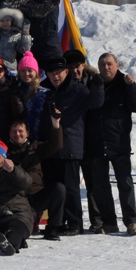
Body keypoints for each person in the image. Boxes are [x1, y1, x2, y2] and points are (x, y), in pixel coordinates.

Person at [39, 57, 104, 236]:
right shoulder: (46, 90)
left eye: (58, 73)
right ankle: (57, 222)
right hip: (51, 147)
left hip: (70, 145)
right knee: (54, 187)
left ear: (66, 72)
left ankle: (75, 223)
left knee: (71, 188)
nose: (55, 76)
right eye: (51, 73)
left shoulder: (77, 89)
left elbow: (95, 103)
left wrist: (98, 85)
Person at [86, 53, 136, 236]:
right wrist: (98, 86)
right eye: (102, 64)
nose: (106, 67)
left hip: (118, 143)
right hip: (97, 143)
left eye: (110, 64)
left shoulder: (124, 83)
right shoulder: (94, 83)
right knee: (101, 187)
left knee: (125, 184)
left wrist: (132, 86)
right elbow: (94, 105)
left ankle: (132, 222)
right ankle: (109, 222)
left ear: (117, 65)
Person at [6, 113, 64, 241]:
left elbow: (56, 145)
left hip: (36, 196)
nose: (17, 134)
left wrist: (56, 125)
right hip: (17, 200)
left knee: (59, 189)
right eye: (14, 131)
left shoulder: (35, 147)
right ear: (9, 133)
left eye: (21, 131)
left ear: (27, 133)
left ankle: (53, 228)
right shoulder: (4, 150)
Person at [64, 49, 102, 232]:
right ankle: (73, 221)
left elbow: (97, 104)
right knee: (70, 185)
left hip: (92, 138)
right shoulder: (64, 85)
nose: (74, 70)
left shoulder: (95, 80)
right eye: (70, 67)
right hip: (72, 140)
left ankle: (97, 220)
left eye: (77, 66)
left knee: (93, 184)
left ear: (83, 65)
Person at [13, 51, 48, 140]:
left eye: (30, 70)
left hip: (38, 139)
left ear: (36, 72)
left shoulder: (43, 93)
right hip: (21, 137)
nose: (26, 74)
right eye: (23, 71)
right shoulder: (17, 90)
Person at [0, 8, 32, 72]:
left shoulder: (16, 34)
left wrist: (25, 35)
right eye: (2, 21)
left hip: (10, 68)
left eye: (7, 20)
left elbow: (24, 50)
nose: (5, 23)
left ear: (11, 21)